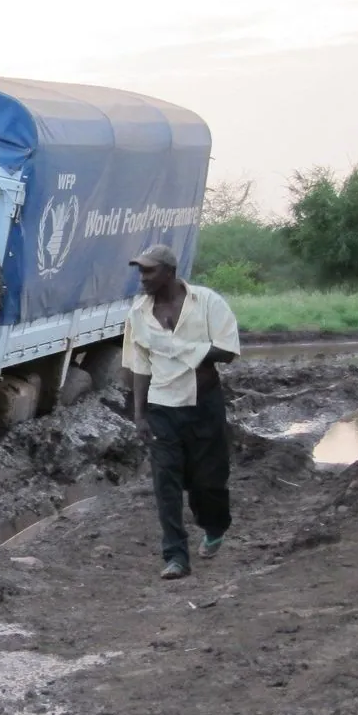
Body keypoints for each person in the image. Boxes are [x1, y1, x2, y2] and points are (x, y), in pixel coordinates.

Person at [122, 244, 241, 580]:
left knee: (208, 482)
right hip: (162, 407)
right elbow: (139, 365)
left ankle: (214, 527)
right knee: (166, 483)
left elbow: (228, 352)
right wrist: (139, 415)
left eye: (149, 271)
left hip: (204, 404)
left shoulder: (207, 302)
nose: (142, 278)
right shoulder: (138, 313)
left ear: (170, 273)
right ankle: (176, 555)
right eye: (140, 271)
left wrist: (182, 349)